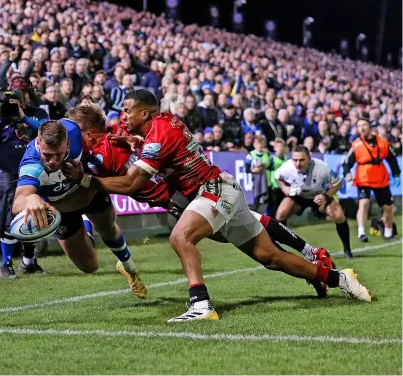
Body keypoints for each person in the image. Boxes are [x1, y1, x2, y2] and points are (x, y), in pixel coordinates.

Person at [62, 90, 371, 322]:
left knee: (180, 238)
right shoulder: (154, 128)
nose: (123, 117)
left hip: (211, 190)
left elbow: (130, 184)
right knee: (271, 257)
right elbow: (131, 145)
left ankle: (201, 304)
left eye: (128, 112)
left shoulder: (157, 134)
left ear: (145, 114)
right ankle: (341, 279)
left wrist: (86, 180)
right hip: (210, 192)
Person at [12, 119, 146, 298]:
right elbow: (18, 203)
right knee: (90, 267)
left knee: (108, 228)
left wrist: (121, 139)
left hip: (85, 188)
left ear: (67, 144)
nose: (52, 161)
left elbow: (97, 134)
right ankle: (85, 225)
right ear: (37, 143)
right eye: (47, 155)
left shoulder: (73, 131)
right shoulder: (32, 165)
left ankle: (129, 268)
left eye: (58, 155)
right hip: (60, 207)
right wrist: (31, 198)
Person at [0, 76, 49, 278]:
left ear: (29, 95)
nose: (18, 99)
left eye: (22, 95)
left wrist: (23, 116)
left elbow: (46, 130)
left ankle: (29, 262)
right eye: (15, 95)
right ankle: (5, 265)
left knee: (32, 217)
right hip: (7, 175)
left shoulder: (37, 113)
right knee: (6, 220)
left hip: (32, 174)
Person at [274, 145, 354, 259]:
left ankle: (347, 250)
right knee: (281, 213)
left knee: (338, 215)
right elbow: (277, 176)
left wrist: (326, 196)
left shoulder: (321, 167)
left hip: (319, 196)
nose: (298, 163)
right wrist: (284, 188)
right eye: (295, 160)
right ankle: (280, 250)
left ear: (309, 159)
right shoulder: (287, 167)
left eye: (302, 160)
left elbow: (338, 183)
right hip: (299, 197)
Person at [343, 119, 401, 243]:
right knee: (363, 203)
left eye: (364, 125)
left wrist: (396, 174)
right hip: (364, 178)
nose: (361, 128)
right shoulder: (356, 145)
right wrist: (347, 173)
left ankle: (389, 232)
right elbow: (347, 163)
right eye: (358, 126)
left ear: (370, 127)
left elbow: (392, 159)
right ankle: (361, 233)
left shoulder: (383, 142)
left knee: (388, 207)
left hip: (381, 178)